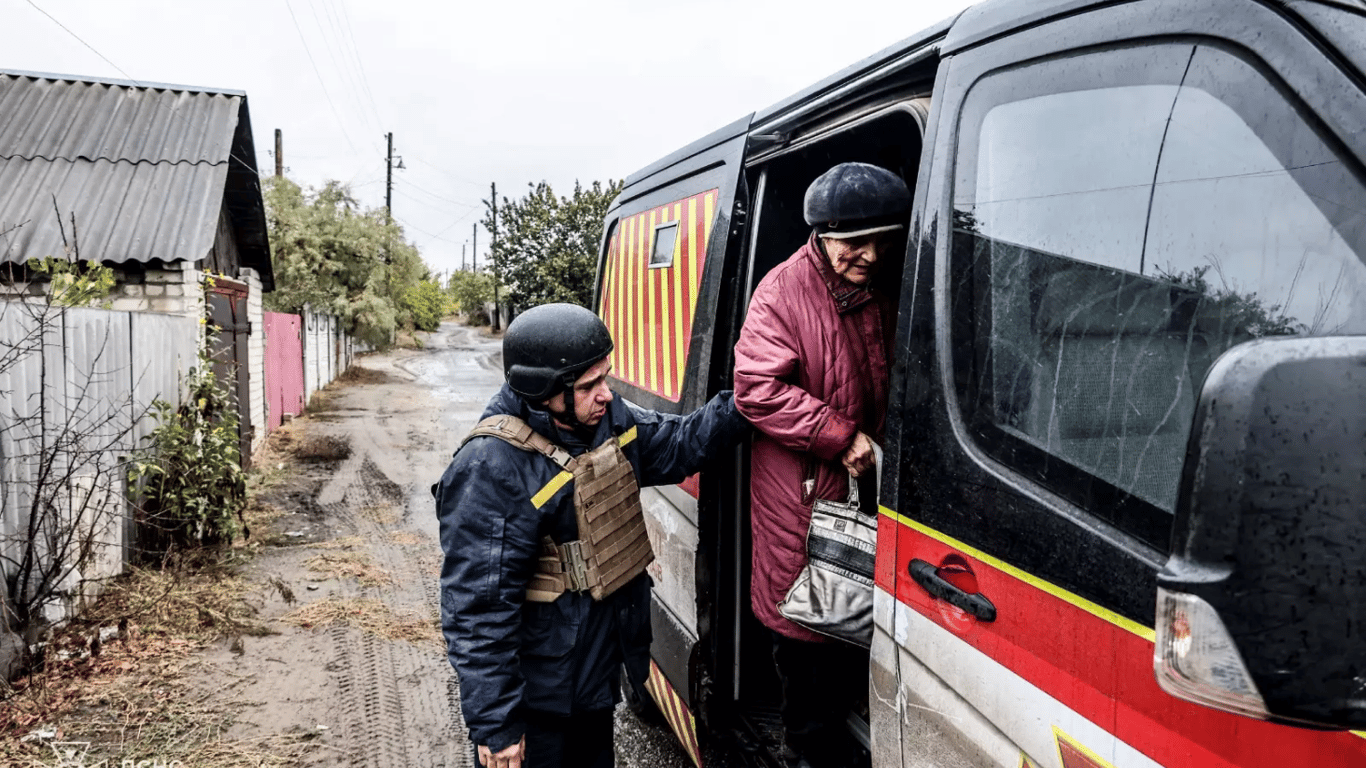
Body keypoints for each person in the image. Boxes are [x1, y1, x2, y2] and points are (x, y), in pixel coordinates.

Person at [435, 302, 748, 768]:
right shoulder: (490, 468)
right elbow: (478, 612)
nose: (606, 394)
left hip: (593, 683)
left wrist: (751, 397)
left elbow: (680, 444)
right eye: (589, 386)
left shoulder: (605, 421)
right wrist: (497, 725)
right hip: (536, 703)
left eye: (605, 378)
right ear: (546, 391)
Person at [733, 162, 911, 768]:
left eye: (882, 241)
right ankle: (804, 750)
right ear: (822, 234)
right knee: (807, 637)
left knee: (853, 631)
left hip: (863, 490)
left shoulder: (880, 288)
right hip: (802, 497)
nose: (869, 255)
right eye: (854, 243)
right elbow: (754, 389)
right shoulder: (782, 292)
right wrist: (840, 437)